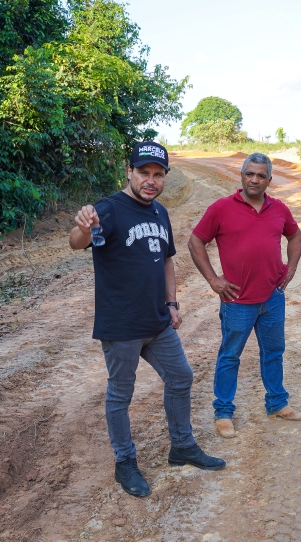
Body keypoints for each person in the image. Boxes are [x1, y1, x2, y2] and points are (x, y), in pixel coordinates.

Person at [69, 141, 225, 498]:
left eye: (158, 174)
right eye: (144, 173)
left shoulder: (159, 213)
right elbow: (77, 242)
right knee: (121, 394)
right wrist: (81, 225)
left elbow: (168, 259)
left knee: (181, 377)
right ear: (130, 171)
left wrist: (172, 303)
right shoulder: (108, 209)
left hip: (156, 321)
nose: (151, 181)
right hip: (121, 325)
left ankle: (182, 447)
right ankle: (125, 463)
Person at [188, 153, 301, 438]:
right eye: (249, 174)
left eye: (261, 175)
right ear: (241, 176)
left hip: (272, 298)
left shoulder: (279, 209)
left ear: (269, 180)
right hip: (237, 301)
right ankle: (224, 413)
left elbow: (296, 236)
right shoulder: (221, 208)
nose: (254, 179)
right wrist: (213, 279)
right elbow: (196, 241)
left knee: (274, 353)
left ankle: (277, 403)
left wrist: (290, 270)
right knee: (230, 356)